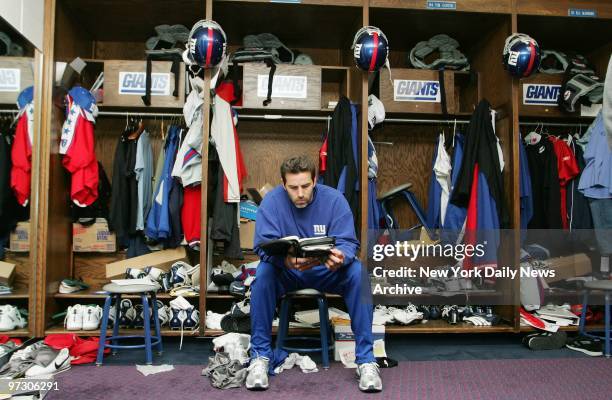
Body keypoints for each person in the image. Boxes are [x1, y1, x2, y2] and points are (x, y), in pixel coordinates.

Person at [245, 154, 382, 392]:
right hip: (287, 271)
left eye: (305, 186)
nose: (300, 193)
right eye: (293, 187)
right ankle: (260, 357)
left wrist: (341, 257)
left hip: (326, 271)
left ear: (315, 180)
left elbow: (349, 243)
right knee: (263, 274)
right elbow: (262, 246)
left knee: (358, 273)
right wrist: (285, 259)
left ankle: (366, 361)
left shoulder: (334, 200)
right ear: (282, 183)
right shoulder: (271, 202)